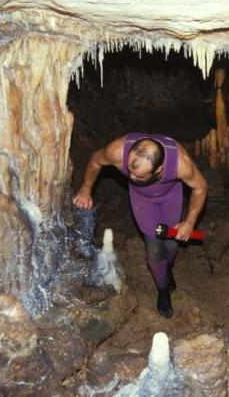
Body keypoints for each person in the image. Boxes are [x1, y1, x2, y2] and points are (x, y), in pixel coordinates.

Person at [73, 132, 208, 318]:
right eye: (130, 171)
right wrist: (86, 189)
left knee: (171, 243)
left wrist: (189, 222)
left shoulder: (180, 163)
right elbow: (96, 161)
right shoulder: (117, 151)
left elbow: (200, 187)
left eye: (139, 175)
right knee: (154, 248)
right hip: (142, 200)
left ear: (159, 170)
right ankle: (162, 289)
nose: (132, 177)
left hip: (170, 196)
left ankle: (167, 270)